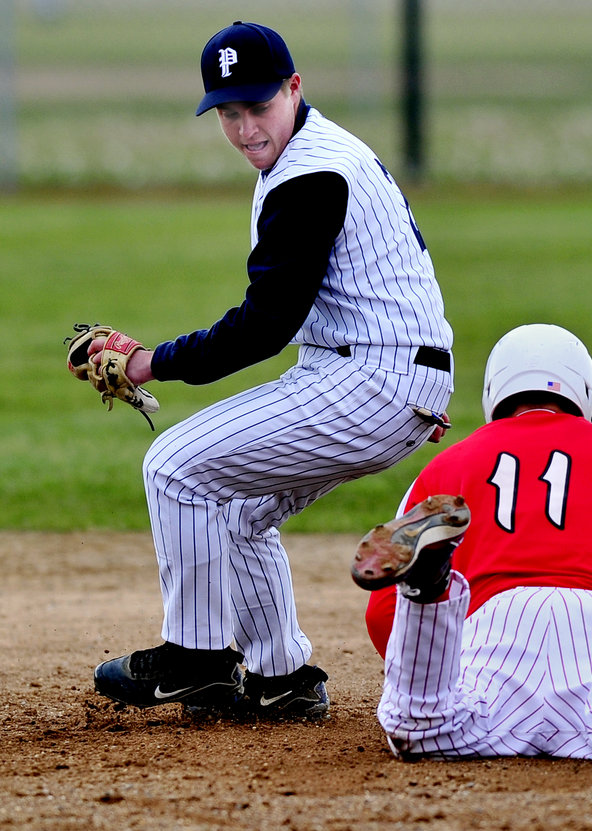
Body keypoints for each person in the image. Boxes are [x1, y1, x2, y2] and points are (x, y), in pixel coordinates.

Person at [92, 21, 454, 718]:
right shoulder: (314, 154)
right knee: (231, 508)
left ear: (295, 88)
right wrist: (422, 384)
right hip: (379, 374)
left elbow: (265, 325)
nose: (247, 126)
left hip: (370, 378)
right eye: (229, 112)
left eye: (259, 105)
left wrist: (149, 363)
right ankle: (282, 674)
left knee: (174, 464)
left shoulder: (312, 173)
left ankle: (193, 660)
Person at [352, 323, 592, 768]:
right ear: (585, 392)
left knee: (422, 728)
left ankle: (430, 590)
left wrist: (438, 673)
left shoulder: (446, 466)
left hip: (492, 630)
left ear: (495, 393)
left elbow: (382, 617)